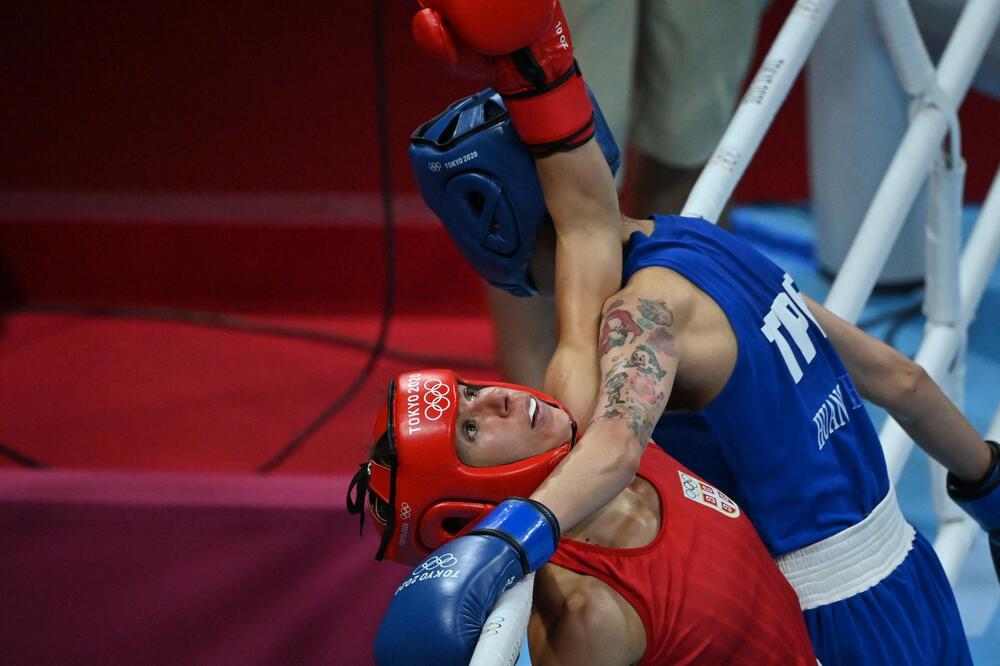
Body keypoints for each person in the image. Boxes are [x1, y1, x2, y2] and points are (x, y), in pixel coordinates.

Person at [406, 84, 1000, 665]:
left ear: (485, 216)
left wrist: (504, 542)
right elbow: (903, 380)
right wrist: (990, 482)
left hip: (826, 621)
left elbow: (613, 444)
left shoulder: (640, 318)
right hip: (912, 574)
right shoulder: (700, 241)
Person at [347, 369, 818, 665]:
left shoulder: (604, 424)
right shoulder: (589, 618)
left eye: (468, 391)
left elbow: (586, 242)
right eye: (471, 429)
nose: (497, 398)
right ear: (457, 510)